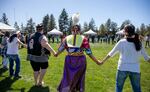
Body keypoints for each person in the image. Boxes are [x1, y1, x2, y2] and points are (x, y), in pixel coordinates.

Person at [55, 13, 101, 92]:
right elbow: (89, 52)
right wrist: (97, 61)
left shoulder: (67, 38)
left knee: (70, 76)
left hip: (72, 60)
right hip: (77, 60)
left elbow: (60, 49)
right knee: (76, 77)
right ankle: (73, 89)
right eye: (74, 30)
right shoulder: (83, 38)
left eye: (76, 30)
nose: (75, 31)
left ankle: (71, 89)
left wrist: (56, 53)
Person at [101, 24, 150, 92]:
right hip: (135, 69)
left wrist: (102, 61)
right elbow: (147, 58)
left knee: (119, 88)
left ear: (126, 32)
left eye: (124, 30)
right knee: (137, 89)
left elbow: (111, 53)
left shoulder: (122, 42)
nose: (123, 31)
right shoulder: (139, 43)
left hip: (122, 68)